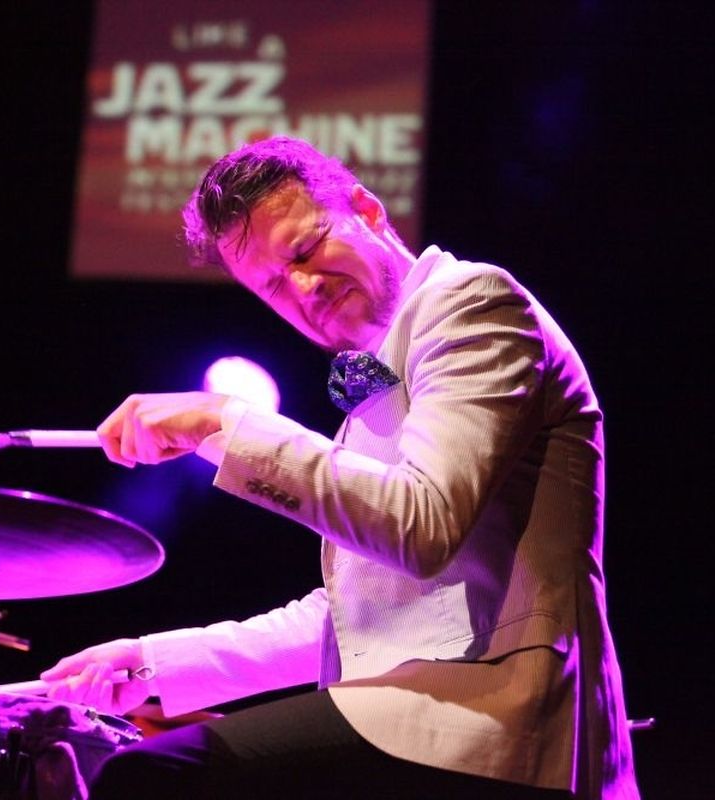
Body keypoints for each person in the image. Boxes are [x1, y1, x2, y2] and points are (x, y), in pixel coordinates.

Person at [39, 135, 640, 799]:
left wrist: (221, 421)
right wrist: (153, 663)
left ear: (367, 210)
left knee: (154, 776)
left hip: (498, 716)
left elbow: (421, 525)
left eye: (304, 249)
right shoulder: (371, 390)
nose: (302, 286)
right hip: (429, 708)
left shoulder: (471, 304)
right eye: (273, 285)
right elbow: (361, 615)